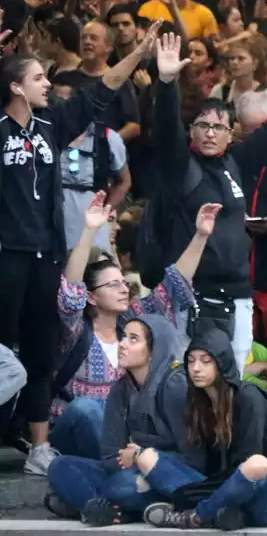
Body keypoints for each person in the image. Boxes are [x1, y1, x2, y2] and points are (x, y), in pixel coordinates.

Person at [0, 22, 159, 476]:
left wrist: (136, 57)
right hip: (5, 255)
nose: (48, 84)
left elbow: (99, 94)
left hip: (46, 255)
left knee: (40, 351)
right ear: (15, 86)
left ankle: (39, 448)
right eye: (37, 79)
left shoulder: (53, 125)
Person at [145, 34, 267, 375]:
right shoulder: (179, 166)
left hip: (238, 294)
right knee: (186, 377)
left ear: (231, 134)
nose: (210, 133)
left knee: (234, 380)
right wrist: (166, 84)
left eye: (218, 127)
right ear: (192, 132)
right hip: (191, 295)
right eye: (203, 126)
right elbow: (166, 131)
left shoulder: (236, 161)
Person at [51, 195, 215, 460]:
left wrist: (200, 235)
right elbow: (70, 293)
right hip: (76, 428)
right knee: (87, 409)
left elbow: (172, 287)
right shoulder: (76, 331)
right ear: (91, 297)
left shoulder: (131, 322)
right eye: (113, 285)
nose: (123, 289)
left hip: (123, 432)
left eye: (123, 283)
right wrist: (90, 230)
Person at [43, 315, 193, 526]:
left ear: (154, 350)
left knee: (122, 486)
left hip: (168, 474)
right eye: (123, 337)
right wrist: (129, 460)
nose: (122, 344)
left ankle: (90, 506)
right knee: (60, 466)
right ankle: (115, 511)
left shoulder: (176, 386)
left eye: (133, 339)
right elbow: (109, 455)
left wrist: (142, 456)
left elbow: (194, 458)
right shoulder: (120, 389)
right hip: (131, 472)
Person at [140, 329, 267, 529]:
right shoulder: (199, 402)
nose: (196, 368)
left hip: (261, 494)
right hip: (221, 492)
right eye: (190, 361)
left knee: (257, 464)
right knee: (147, 457)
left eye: (206, 361)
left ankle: (195, 517)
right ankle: (222, 513)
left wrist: (187, 494)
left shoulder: (248, 397)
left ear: (222, 362)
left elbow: (246, 464)